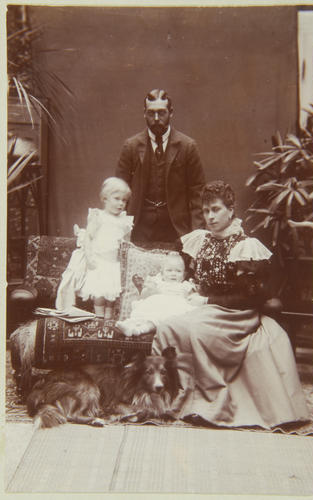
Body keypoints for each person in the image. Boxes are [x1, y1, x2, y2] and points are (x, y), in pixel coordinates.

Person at [152, 180, 309, 429]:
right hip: (205, 308)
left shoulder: (245, 246)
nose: (210, 217)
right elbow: (197, 278)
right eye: (206, 211)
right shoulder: (200, 240)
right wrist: (194, 290)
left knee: (197, 331)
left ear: (230, 210)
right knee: (167, 327)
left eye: (216, 210)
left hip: (237, 313)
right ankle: (170, 398)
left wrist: (207, 300)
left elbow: (251, 298)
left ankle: (209, 403)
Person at [116, 88, 206, 243]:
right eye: (151, 113)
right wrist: (119, 230)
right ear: (144, 113)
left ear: (171, 113)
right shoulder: (131, 146)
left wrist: (197, 236)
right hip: (138, 228)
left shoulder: (187, 146)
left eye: (161, 113)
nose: (156, 118)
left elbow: (198, 194)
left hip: (176, 229)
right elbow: (118, 192)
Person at [55, 177, 133, 319]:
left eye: (124, 200)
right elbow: (88, 238)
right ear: (105, 198)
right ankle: (99, 316)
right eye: (117, 199)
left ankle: (108, 317)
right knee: (100, 291)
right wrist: (90, 257)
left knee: (112, 292)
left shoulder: (124, 221)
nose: (121, 203)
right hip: (100, 262)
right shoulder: (99, 216)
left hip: (115, 263)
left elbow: (126, 243)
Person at [116, 252, 198, 336]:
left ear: (184, 275)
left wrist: (190, 297)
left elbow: (195, 298)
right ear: (162, 273)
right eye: (169, 270)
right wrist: (149, 290)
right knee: (143, 314)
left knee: (158, 318)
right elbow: (143, 295)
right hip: (157, 305)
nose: (173, 274)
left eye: (178, 271)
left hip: (173, 310)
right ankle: (128, 324)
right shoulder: (157, 282)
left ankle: (140, 330)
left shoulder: (185, 286)